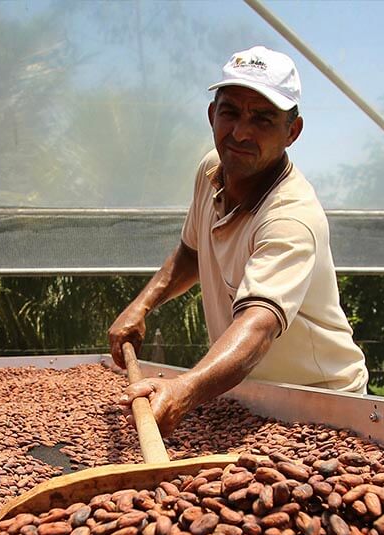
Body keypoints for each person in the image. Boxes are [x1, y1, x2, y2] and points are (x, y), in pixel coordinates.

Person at [108, 45, 368, 436]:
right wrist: (141, 307)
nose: (241, 132)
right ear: (212, 115)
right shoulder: (211, 169)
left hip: (321, 405)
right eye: (231, 112)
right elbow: (191, 253)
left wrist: (184, 389)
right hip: (248, 396)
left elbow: (258, 325)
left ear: (292, 132)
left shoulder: (291, 216)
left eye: (263, 118)